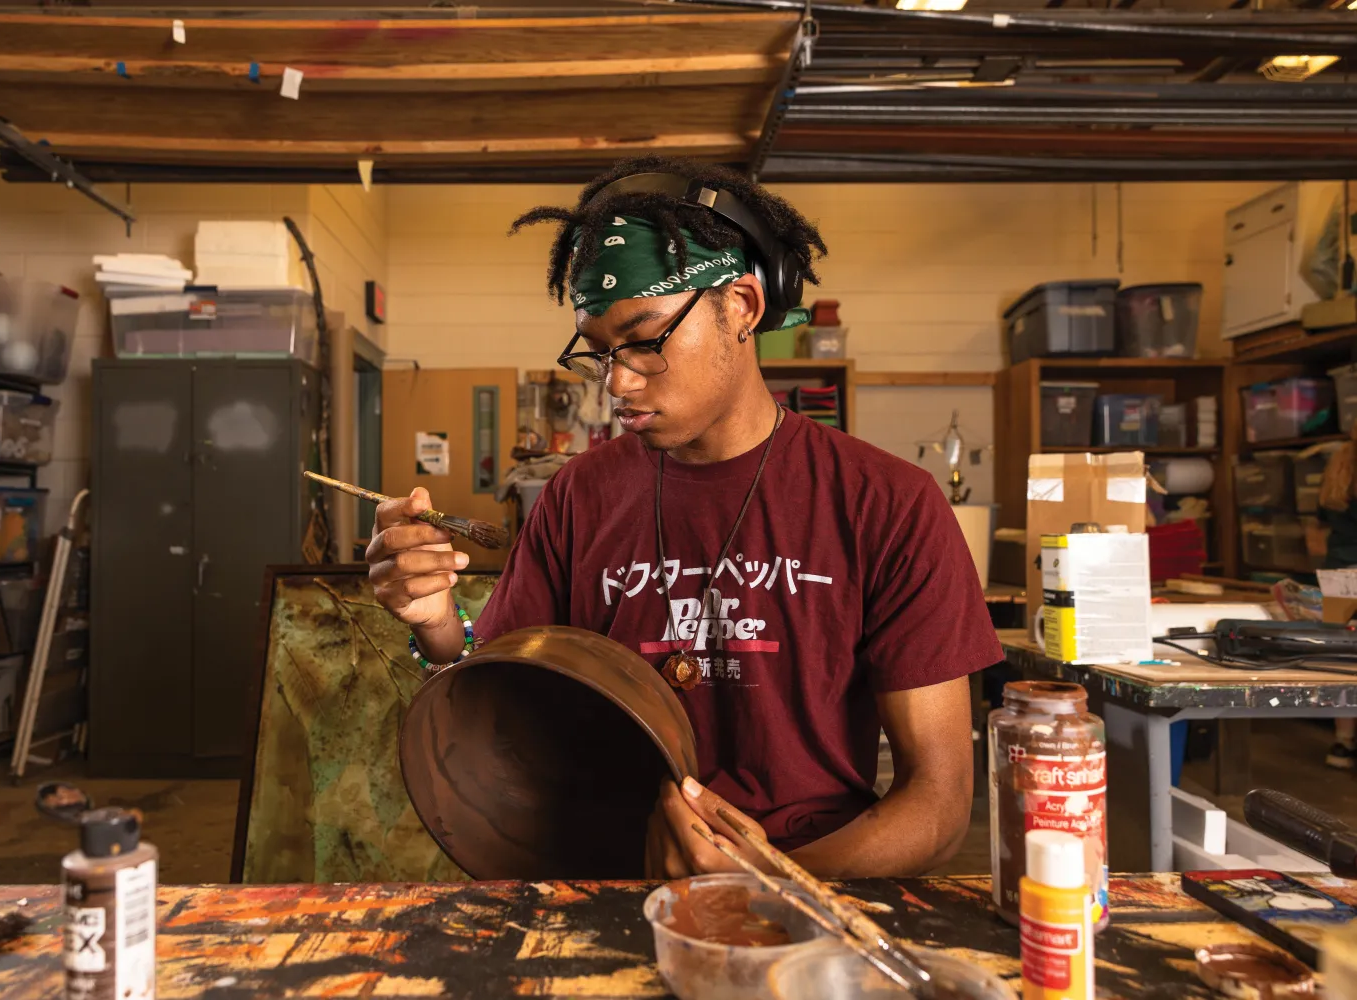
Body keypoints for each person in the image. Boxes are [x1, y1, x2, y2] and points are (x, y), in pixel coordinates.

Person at [367, 156, 1002, 878]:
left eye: (645, 339)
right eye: (600, 352)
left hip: (816, 890)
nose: (620, 381)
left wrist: (761, 889)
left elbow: (940, 802)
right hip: (611, 880)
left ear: (741, 308)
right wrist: (435, 623)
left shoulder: (887, 505)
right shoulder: (578, 498)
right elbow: (499, 704)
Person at [1318, 433, 1357, 768]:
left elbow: (1320, 522)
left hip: (1337, 574)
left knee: (1343, 661)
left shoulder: (1338, 465)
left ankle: (1341, 744)